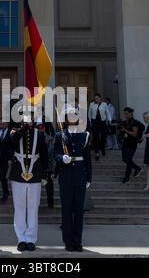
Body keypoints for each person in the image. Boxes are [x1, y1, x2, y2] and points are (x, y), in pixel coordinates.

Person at [54, 107, 92, 252]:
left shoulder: (85, 135)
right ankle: (68, 241)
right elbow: (55, 155)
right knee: (67, 209)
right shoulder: (60, 135)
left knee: (78, 210)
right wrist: (61, 158)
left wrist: (89, 177)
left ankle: (78, 241)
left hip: (80, 174)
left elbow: (88, 158)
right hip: (66, 175)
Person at [9, 112, 48, 252]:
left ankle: (31, 238)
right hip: (18, 173)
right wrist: (23, 128)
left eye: (30, 118)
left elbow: (44, 156)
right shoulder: (15, 131)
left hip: (35, 173)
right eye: (25, 117)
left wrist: (44, 175)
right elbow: (11, 143)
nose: (28, 120)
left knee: (33, 208)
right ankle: (21, 239)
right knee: (19, 208)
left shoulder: (40, 134)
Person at [119, 107, 144, 184]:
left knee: (129, 160)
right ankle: (138, 168)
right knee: (124, 159)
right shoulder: (125, 122)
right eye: (125, 113)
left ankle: (127, 177)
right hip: (125, 143)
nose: (125, 115)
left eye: (127, 113)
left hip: (132, 144)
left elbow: (134, 134)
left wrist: (125, 130)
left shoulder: (134, 122)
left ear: (131, 113)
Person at [88, 94, 112, 160]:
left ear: (100, 98)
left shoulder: (104, 104)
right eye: (95, 98)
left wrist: (109, 120)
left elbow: (107, 113)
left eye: (97, 98)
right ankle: (97, 152)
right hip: (94, 122)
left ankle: (102, 148)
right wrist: (90, 122)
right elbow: (89, 114)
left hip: (102, 122)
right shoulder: (91, 104)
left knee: (103, 136)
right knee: (96, 137)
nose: (96, 99)